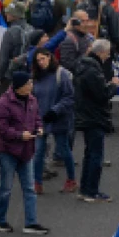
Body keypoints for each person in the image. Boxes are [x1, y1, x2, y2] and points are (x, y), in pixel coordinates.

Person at [0, 71, 48, 234]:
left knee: (29, 188)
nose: (31, 86)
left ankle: (31, 222)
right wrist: (18, 135)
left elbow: (37, 117)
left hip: (27, 150)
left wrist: (39, 127)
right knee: (6, 188)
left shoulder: (32, 100)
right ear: (18, 87)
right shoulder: (3, 103)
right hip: (8, 151)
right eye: (28, 84)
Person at [75, 38, 118, 202]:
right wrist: (113, 85)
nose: (107, 57)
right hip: (94, 116)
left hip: (85, 114)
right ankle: (92, 190)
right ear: (100, 52)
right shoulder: (93, 70)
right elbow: (103, 95)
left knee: (89, 153)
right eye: (107, 54)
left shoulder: (83, 66)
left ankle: (85, 188)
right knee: (95, 155)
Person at [30, 49, 76, 195]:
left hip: (58, 118)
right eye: (38, 60)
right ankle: (37, 183)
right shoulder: (36, 77)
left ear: (50, 58)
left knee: (63, 149)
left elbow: (69, 97)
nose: (41, 62)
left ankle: (71, 179)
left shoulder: (60, 74)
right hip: (41, 119)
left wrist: (55, 110)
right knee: (38, 152)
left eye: (43, 59)